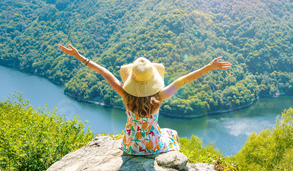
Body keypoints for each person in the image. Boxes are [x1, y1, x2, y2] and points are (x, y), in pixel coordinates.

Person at [58, 44, 232, 155]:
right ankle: (175, 159)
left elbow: (103, 71)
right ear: (152, 80)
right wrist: (209, 67)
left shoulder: (125, 95)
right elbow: (184, 79)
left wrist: (79, 56)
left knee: (159, 134)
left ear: (131, 77)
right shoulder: (159, 96)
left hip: (129, 146)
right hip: (153, 146)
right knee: (172, 133)